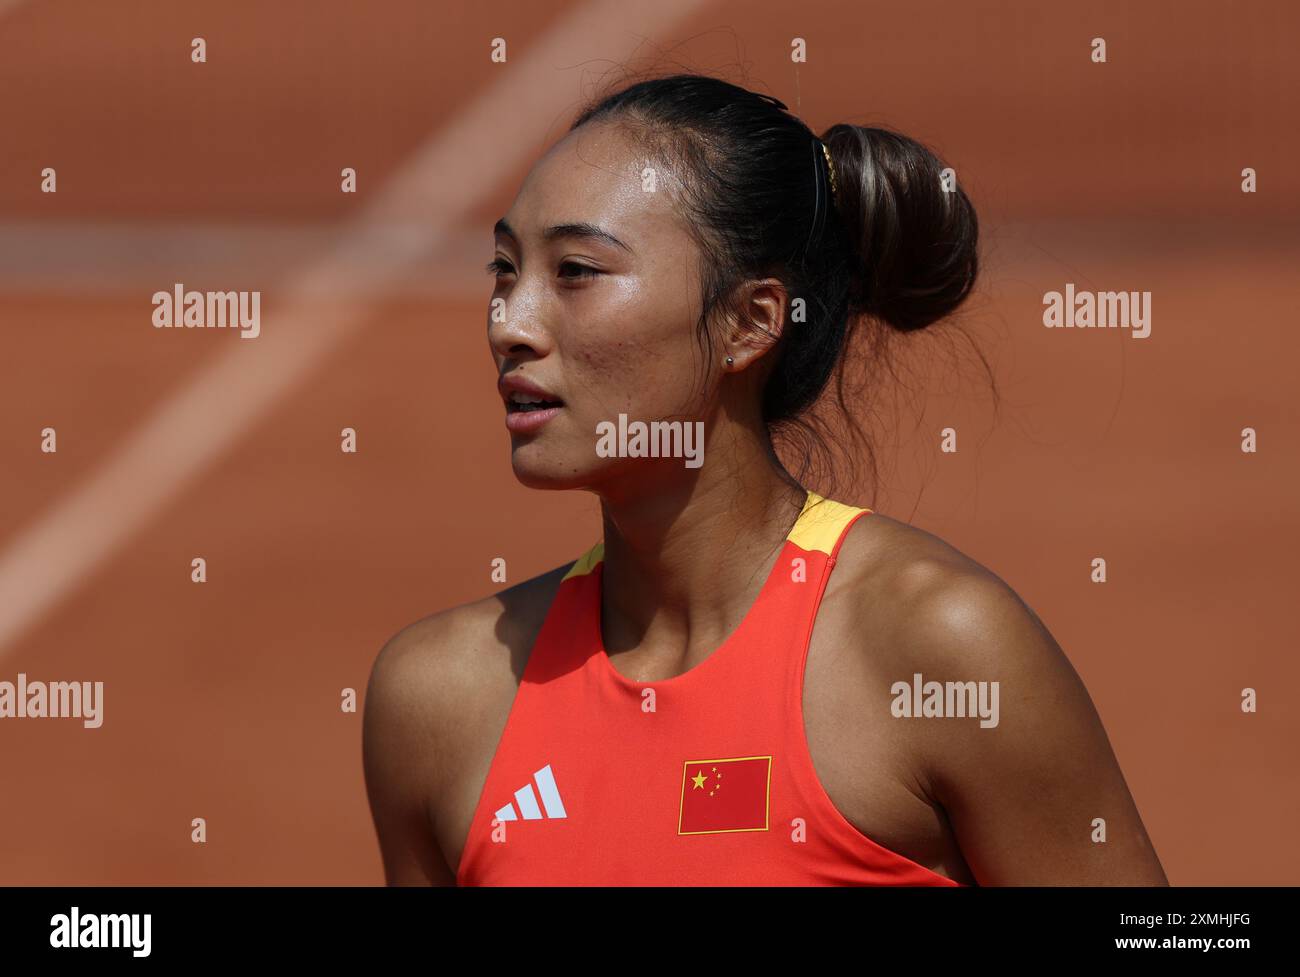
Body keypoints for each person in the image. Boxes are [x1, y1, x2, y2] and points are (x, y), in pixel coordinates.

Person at [362, 73, 1168, 886]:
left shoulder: (935, 649)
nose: (511, 323)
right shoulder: (439, 702)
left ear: (749, 322)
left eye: (575, 270)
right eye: (503, 268)